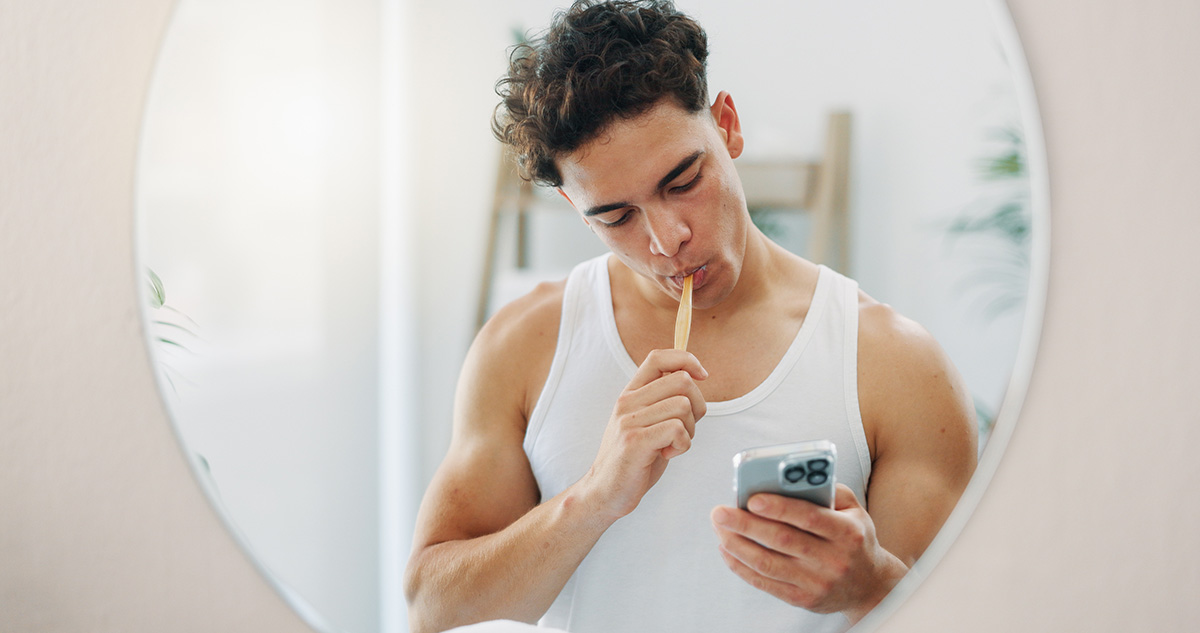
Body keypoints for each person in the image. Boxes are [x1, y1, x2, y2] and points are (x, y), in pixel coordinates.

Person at [404, 1, 978, 632]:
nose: (667, 237)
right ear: (575, 206)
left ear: (726, 126)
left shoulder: (893, 362)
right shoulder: (522, 345)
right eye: (617, 217)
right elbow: (433, 608)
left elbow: (969, 612)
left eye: (682, 181)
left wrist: (875, 585)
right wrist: (595, 496)